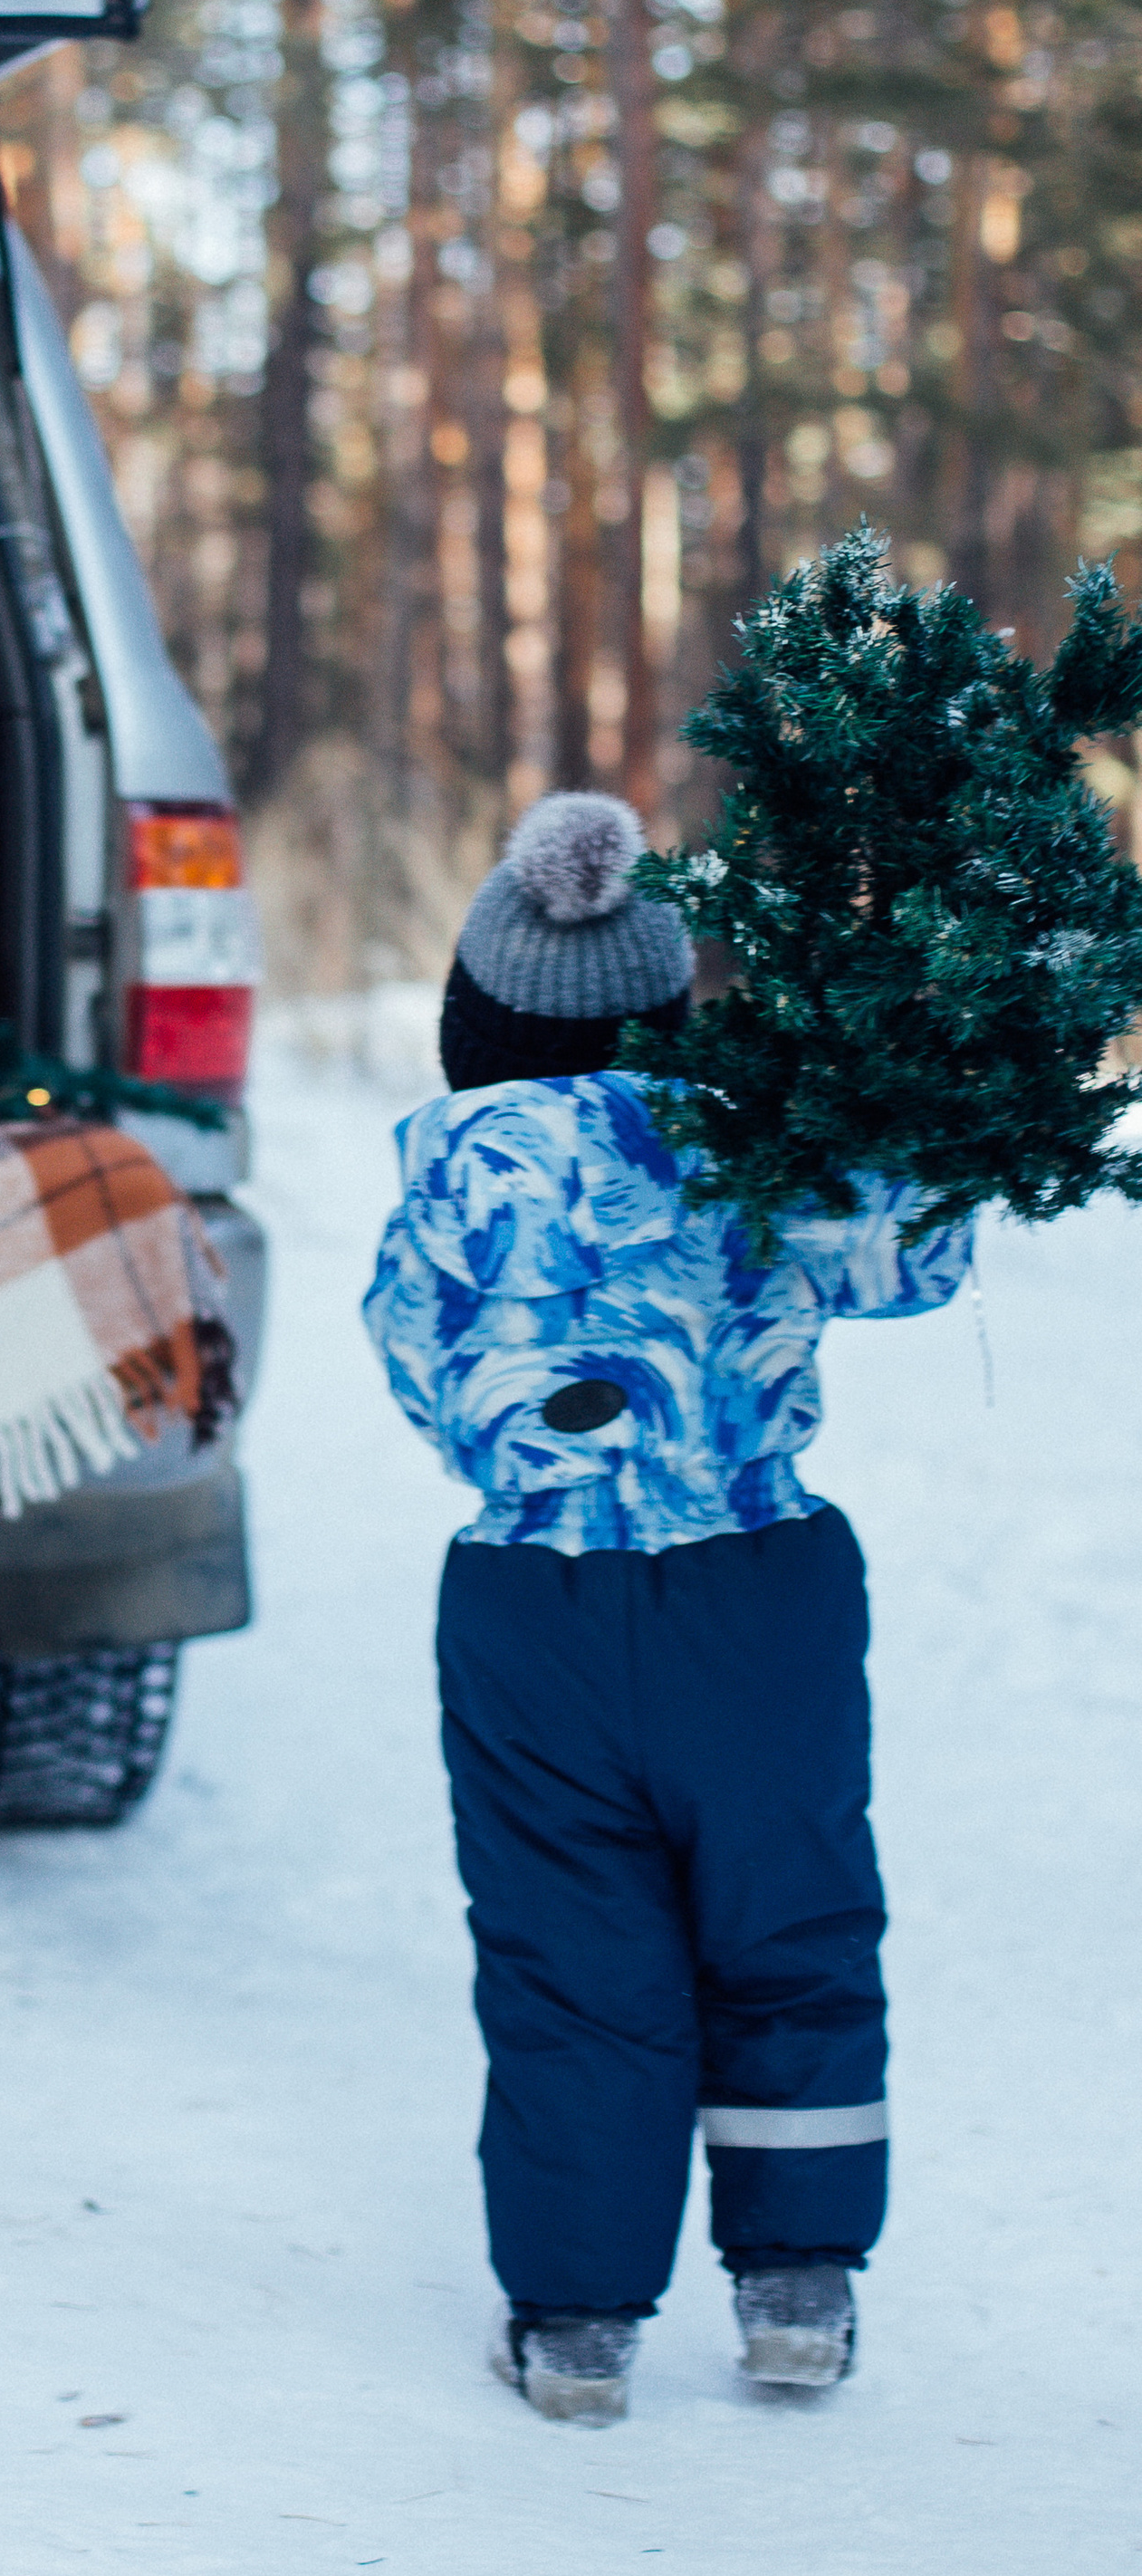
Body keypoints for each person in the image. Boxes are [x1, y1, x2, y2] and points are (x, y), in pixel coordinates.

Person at [364, 791, 972, 2426]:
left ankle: (575, 2322)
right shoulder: (750, 1145)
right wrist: (918, 1097)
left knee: (572, 1957)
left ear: (473, 1029)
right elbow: (911, 1260)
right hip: (756, 1592)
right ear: (666, 1013)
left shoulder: (444, 1181)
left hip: (532, 1608)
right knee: (791, 1925)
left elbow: (427, 1384)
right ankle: (795, 2287)